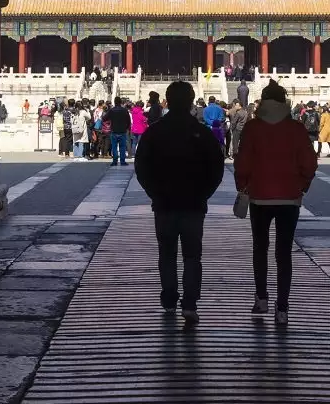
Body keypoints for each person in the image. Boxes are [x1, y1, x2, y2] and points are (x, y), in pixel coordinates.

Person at [134, 80, 224, 323]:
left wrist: (154, 192)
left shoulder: (154, 132)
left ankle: (169, 298)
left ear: (168, 101)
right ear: (191, 101)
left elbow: (141, 167)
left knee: (167, 253)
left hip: (164, 203)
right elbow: (216, 169)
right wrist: (204, 194)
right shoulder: (202, 133)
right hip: (194, 204)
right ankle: (190, 302)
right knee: (192, 255)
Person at [234, 80, 317, 326]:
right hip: (289, 197)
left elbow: (243, 162)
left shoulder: (253, 127)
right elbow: (309, 163)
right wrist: (302, 184)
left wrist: (243, 185)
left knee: (260, 248)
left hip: (259, 196)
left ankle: (261, 298)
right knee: (284, 252)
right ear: (284, 101)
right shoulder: (296, 128)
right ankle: (282, 307)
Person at [107, 96, 132, 166]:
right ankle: (122, 161)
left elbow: (104, 118)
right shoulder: (125, 110)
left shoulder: (112, 110)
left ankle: (115, 161)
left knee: (114, 147)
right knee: (122, 147)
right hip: (122, 131)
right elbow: (129, 121)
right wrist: (126, 128)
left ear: (114, 102)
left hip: (114, 131)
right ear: (120, 102)